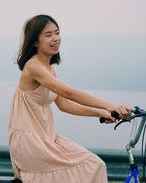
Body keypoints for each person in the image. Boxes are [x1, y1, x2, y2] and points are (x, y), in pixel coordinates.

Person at [8, 14, 131, 183]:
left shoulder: (48, 67)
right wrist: (111, 106)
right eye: (48, 34)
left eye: (57, 33)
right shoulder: (33, 67)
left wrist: (102, 113)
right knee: (89, 165)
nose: (55, 38)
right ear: (35, 42)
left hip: (45, 136)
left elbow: (64, 105)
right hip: (30, 140)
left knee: (95, 164)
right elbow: (69, 93)